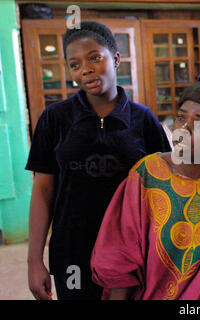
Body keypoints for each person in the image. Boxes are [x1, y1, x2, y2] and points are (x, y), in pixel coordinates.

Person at [26, 21, 171, 300]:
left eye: (95, 58)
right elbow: (43, 190)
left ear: (115, 59)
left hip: (132, 249)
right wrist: (34, 260)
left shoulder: (143, 120)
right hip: (72, 249)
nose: (86, 69)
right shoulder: (55, 119)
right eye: (75, 64)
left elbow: (163, 187)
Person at [91, 80, 200, 300]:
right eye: (181, 118)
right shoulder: (147, 174)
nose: (183, 130)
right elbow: (119, 256)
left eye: (199, 123)